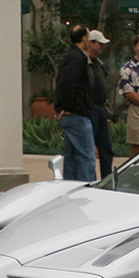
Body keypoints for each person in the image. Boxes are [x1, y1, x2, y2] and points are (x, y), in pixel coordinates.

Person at [54, 25, 96, 182]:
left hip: (71, 114)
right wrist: (67, 107)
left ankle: (70, 188)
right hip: (78, 114)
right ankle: (87, 190)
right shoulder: (78, 58)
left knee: (71, 157)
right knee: (87, 156)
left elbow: (61, 82)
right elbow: (67, 84)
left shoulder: (69, 56)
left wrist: (61, 108)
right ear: (84, 38)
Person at [87, 30, 114, 179]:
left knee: (106, 147)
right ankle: (90, 179)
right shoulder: (85, 62)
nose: (102, 47)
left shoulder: (99, 64)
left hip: (101, 108)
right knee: (89, 148)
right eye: (100, 43)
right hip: (90, 108)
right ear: (91, 43)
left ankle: (107, 178)